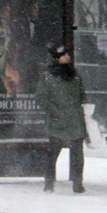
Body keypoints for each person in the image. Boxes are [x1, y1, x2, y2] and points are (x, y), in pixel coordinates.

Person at [35, 45, 88, 193]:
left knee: (77, 154)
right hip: (59, 120)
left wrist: (84, 108)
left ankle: (78, 184)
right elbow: (41, 98)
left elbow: (82, 95)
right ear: (55, 58)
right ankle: (49, 184)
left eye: (67, 55)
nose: (67, 57)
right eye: (63, 55)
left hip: (74, 120)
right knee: (53, 153)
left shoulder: (75, 75)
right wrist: (55, 111)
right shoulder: (47, 77)